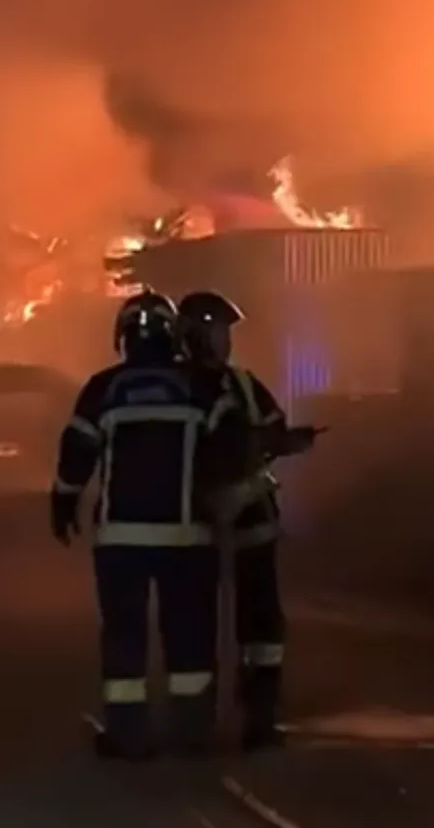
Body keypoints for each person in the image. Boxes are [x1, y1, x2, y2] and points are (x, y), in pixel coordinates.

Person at [50, 290, 234, 759]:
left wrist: (64, 502)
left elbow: (76, 453)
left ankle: (127, 734)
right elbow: (228, 455)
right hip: (188, 538)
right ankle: (193, 732)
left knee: (125, 636)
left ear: (123, 337)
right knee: (189, 635)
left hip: (121, 539)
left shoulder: (103, 389)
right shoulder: (199, 386)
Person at [177, 290, 319, 751]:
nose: (226, 340)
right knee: (195, 624)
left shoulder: (243, 384)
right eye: (218, 330)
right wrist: (253, 444)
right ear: (196, 334)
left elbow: (271, 430)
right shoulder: (178, 386)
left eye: (227, 331)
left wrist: (287, 440)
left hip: (251, 522)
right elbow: (200, 449)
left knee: (262, 625)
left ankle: (261, 715)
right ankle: (194, 723)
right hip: (196, 525)